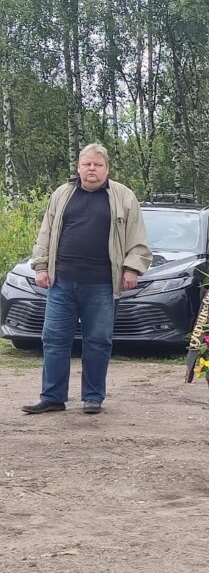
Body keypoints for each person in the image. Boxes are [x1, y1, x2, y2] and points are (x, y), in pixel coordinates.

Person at [21, 143, 152, 416]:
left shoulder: (124, 197)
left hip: (102, 284)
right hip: (62, 282)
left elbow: (138, 239)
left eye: (98, 164)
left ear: (107, 169)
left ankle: (93, 397)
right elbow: (45, 234)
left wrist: (132, 268)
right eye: (87, 164)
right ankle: (52, 396)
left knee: (98, 340)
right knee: (54, 339)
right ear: (79, 167)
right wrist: (41, 267)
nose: (92, 169)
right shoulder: (62, 194)